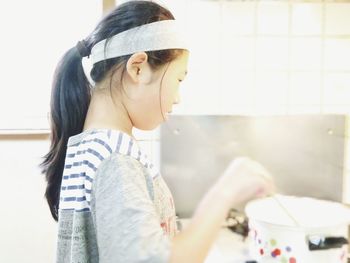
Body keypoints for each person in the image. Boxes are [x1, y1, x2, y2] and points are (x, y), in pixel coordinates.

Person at [40, 1, 274, 262]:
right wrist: (224, 194)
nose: (178, 98)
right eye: (178, 79)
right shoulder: (115, 159)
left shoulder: (94, 145)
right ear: (137, 68)